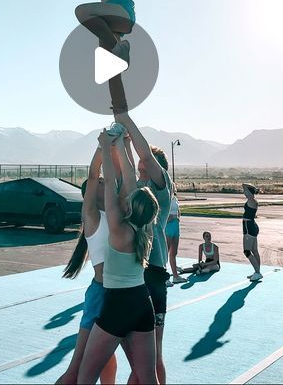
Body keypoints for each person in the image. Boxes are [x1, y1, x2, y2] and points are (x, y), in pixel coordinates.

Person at [77, 129, 160, 385]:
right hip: (141, 300)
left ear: (129, 205)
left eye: (104, 182)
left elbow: (115, 178)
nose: (104, 182)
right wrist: (122, 145)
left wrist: (104, 146)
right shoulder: (142, 227)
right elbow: (128, 179)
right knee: (147, 377)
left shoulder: (117, 224)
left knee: (83, 376)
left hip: (115, 301)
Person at [113, 112, 172, 385]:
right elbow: (126, 168)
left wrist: (125, 118)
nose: (140, 165)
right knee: (141, 362)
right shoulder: (138, 189)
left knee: (149, 359)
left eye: (144, 164)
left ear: (158, 168)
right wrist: (122, 140)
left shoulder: (160, 190)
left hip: (153, 275)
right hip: (137, 275)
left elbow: (145, 156)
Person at [55, 146, 117, 385]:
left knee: (108, 355)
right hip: (101, 294)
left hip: (119, 294)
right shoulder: (92, 216)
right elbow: (94, 175)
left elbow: (117, 179)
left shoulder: (112, 213)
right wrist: (103, 149)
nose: (104, 182)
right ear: (91, 193)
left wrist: (120, 148)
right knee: (77, 367)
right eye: (101, 182)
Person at [165, 183, 186, 284]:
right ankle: (164, 278)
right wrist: (170, 218)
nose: (172, 188)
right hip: (168, 227)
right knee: (166, 253)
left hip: (176, 226)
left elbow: (178, 210)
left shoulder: (175, 198)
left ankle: (175, 276)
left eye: (173, 186)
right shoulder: (165, 198)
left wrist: (177, 217)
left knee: (174, 252)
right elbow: (162, 213)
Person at [242, 182, 262, 282]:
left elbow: (244, 185)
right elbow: (245, 187)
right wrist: (252, 189)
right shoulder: (252, 200)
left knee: (247, 251)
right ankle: (257, 272)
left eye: (246, 191)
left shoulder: (251, 200)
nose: (244, 192)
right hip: (251, 226)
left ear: (250, 193)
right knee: (254, 251)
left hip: (249, 227)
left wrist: (252, 187)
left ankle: (258, 272)